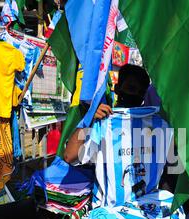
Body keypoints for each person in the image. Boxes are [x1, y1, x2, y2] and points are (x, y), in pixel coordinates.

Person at [64, 64, 173, 208]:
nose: (136, 95)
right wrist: (88, 119)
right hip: (110, 213)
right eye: (131, 88)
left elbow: (174, 166)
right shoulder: (103, 123)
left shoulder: (161, 126)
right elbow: (69, 156)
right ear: (117, 87)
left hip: (145, 212)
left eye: (141, 91)